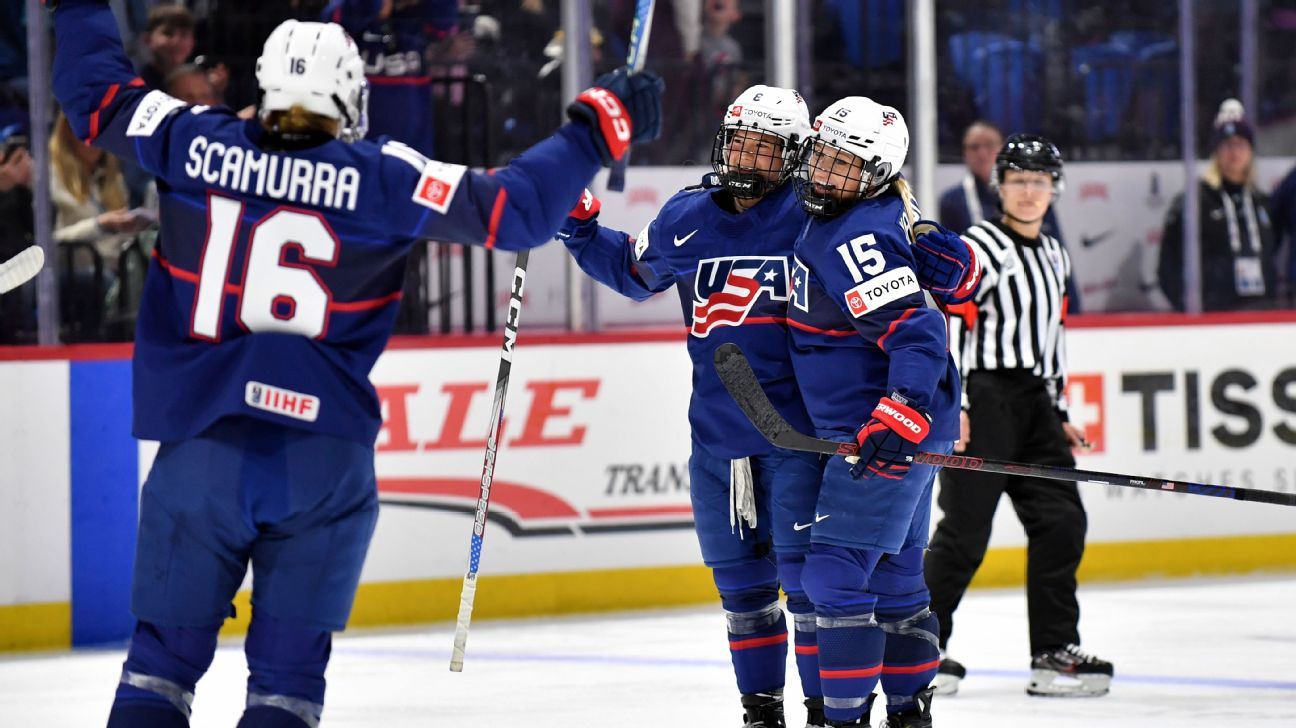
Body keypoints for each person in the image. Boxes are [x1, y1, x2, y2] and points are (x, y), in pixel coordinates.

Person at [48, 1, 662, 726]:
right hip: (322, 462)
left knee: (157, 674)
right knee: (285, 687)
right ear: (350, 94)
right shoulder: (381, 176)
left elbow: (93, 98)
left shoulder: (190, 139)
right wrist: (599, 123)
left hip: (201, 449)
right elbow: (517, 210)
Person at [558, 86, 978, 728]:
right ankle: (762, 712)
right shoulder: (685, 215)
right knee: (742, 592)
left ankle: (831, 712)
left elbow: (906, 262)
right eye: (739, 138)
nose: (747, 155)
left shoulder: (818, 211)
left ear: (796, 154)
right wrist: (577, 223)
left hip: (803, 438)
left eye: (765, 144)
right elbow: (633, 271)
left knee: (817, 589)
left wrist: (951, 263)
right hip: (718, 436)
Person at [786, 97, 964, 728]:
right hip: (897, 422)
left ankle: (842, 718)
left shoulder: (856, 235)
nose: (824, 174)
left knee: (834, 575)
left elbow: (918, 332)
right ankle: (910, 712)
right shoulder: (854, 213)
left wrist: (901, 413)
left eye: (843, 166)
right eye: (822, 158)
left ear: (876, 173)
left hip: (882, 427)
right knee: (893, 575)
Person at [925, 134, 1114, 699]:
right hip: (984, 400)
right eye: (1018, 180)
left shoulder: (1056, 253)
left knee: (1062, 521)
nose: (1030, 192)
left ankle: (1053, 651)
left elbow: (1053, 336)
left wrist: (1056, 408)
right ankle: (920, 646)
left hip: (1033, 402)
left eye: (1040, 181)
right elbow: (952, 323)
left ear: (1054, 188)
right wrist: (954, 405)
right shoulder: (981, 246)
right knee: (964, 531)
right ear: (999, 185)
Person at [937, 120, 1080, 311]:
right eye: (974, 147)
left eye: (989, 145)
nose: (982, 153)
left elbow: (1058, 259)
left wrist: (1075, 313)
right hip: (978, 303)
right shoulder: (953, 201)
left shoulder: (1052, 246)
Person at [1158, 99, 1278, 312]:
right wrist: (1190, 307)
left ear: (1251, 151)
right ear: (1216, 151)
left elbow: (1273, 252)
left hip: (1261, 311)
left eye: (1241, 144)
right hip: (1214, 315)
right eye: (1227, 144)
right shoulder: (1195, 202)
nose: (1235, 152)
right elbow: (1168, 263)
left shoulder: (1263, 203)